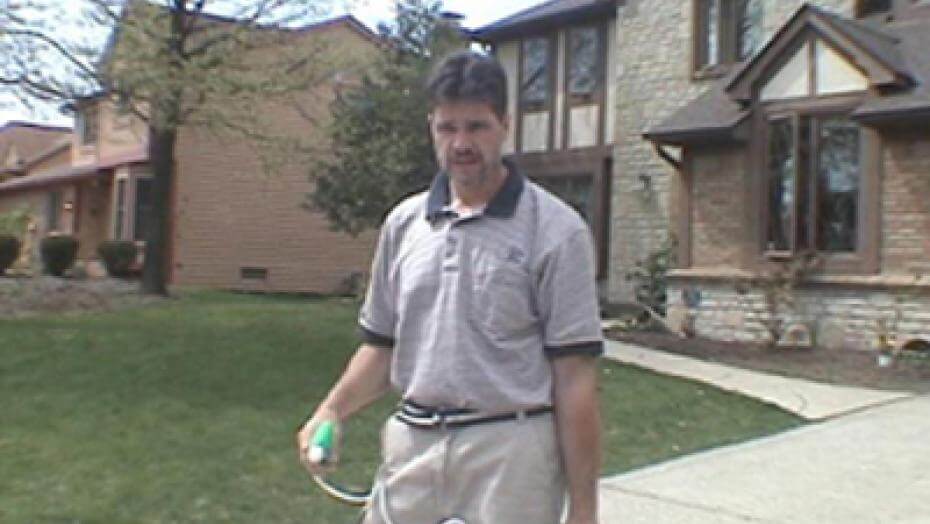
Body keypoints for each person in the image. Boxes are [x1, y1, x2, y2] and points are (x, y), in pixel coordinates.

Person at [297, 50, 603, 524]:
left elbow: (574, 379)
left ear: (504, 123)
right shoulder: (404, 224)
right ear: (431, 129)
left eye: (477, 127)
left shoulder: (557, 231)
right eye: (448, 128)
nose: (461, 143)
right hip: (412, 442)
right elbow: (382, 347)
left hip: (510, 453)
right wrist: (331, 411)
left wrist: (584, 511)